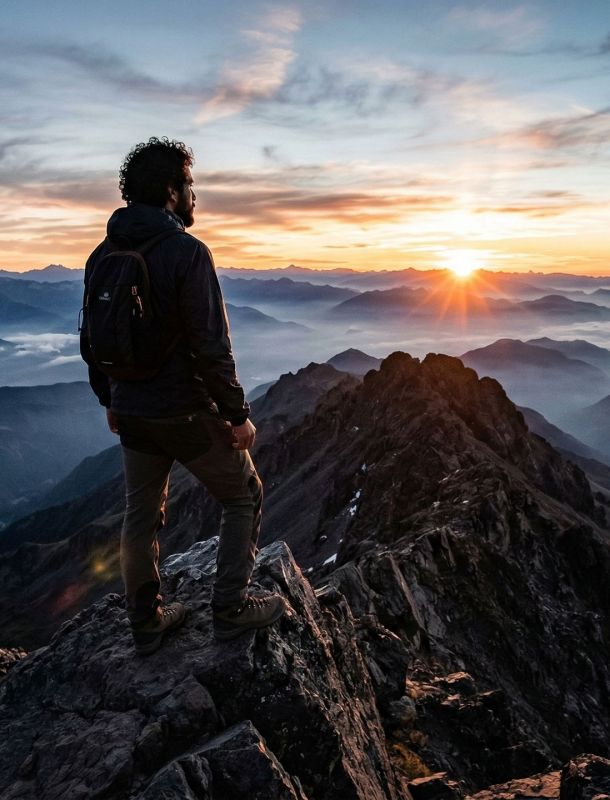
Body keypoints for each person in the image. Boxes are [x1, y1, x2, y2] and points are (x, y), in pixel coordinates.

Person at [80, 137, 285, 655]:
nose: (196, 197)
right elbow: (210, 345)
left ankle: (147, 621)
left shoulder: (103, 253)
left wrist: (110, 397)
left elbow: (91, 339)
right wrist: (238, 415)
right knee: (244, 495)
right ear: (172, 192)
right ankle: (232, 609)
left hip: (130, 409)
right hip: (184, 412)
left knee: (140, 513)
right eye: (191, 186)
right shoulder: (188, 253)